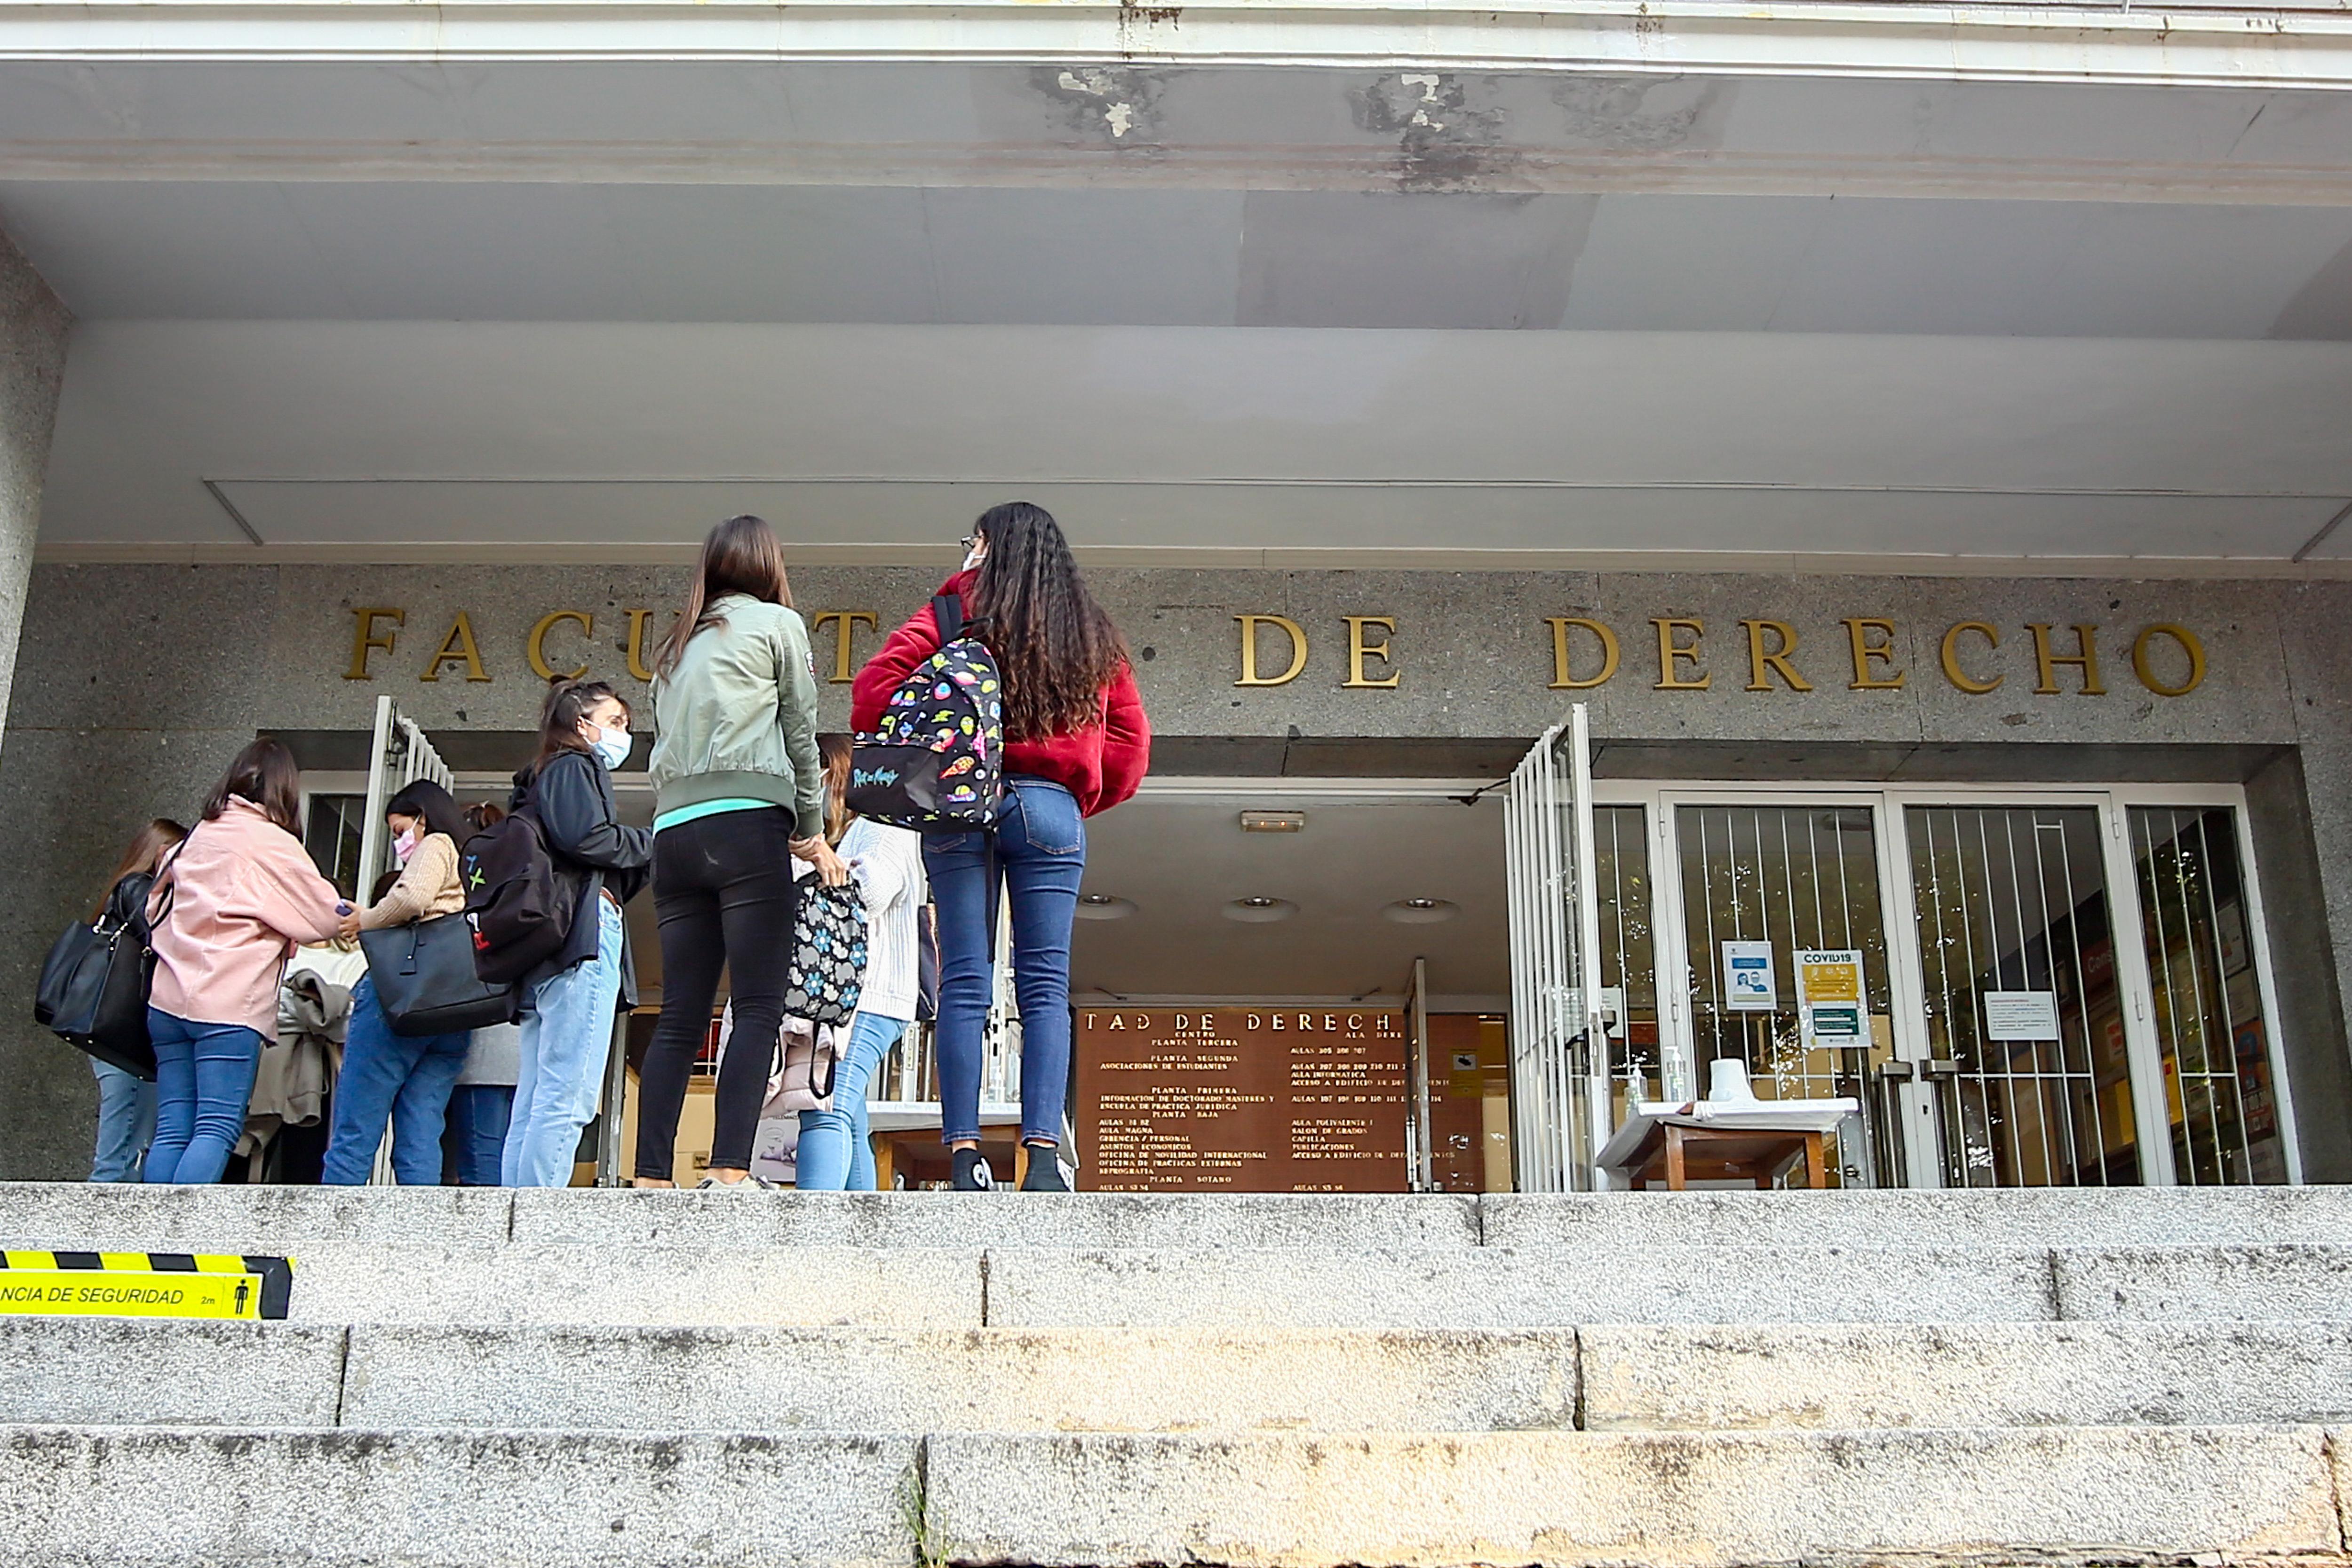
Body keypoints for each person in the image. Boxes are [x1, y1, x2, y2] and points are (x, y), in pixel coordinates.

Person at [853, 501, 1150, 1191]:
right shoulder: (1091, 630)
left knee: (965, 980)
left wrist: (929, 754)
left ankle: (964, 1156)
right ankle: (1042, 1159)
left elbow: (872, 695)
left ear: (985, 546)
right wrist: (1075, 799)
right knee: (1043, 985)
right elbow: (1132, 745)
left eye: (972, 540)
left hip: (960, 806)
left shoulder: (953, 610)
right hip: (1049, 809)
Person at [638, 514, 847, 1192]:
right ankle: (729, 1168)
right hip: (747, 824)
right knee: (757, 1005)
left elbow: (659, 746)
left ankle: (648, 1174)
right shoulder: (780, 626)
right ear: (769, 566)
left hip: (673, 832)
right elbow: (800, 731)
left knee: (681, 1011)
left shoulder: (674, 645)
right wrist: (811, 831)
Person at [144, 739, 347, 1185]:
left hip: (167, 999)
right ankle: (184, 1240)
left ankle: (150, 1239)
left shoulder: (200, 834)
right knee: (216, 1127)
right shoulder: (272, 842)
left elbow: (152, 908)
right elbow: (326, 915)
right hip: (228, 1004)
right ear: (285, 788)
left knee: (173, 1126)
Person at [503, 678, 654, 1188]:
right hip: (580, 938)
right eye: (614, 722)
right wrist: (657, 844)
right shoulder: (573, 765)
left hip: (546, 946)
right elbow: (588, 838)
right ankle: (538, 1215)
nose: (621, 735)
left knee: (537, 1094)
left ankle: (518, 1209)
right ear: (580, 723)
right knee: (566, 1094)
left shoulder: (538, 778)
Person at [318, 780, 473, 1185]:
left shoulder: (436, 843)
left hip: (401, 998)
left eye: (402, 831)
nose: (400, 843)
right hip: (452, 1009)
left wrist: (364, 918)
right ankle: (414, 1238)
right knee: (421, 1134)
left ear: (422, 817)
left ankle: (329, 1234)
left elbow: (412, 898)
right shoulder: (469, 859)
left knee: (356, 1128)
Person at [795, 733, 925, 1191]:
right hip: (843, 997)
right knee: (846, 1114)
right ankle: (861, 1232)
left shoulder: (884, 823)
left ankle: (816, 1237)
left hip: (869, 994)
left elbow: (870, 890)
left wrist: (815, 858)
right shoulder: (847, 833)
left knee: (823, 1108)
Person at [85, 819, 188, 1181]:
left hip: (120, 1031)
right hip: (125, 1033)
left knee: (129, 1142)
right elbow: (161, 935)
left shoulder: (125, 887)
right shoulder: (139, 889)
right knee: (121, 1148)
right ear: (164, 853)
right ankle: (95, 1236)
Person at [446, 803, 520, 1186]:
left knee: (482, 1168)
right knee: (513, 1164)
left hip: (482, 1053)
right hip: (522, 1050)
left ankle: (487, 1244)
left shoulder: (465, 898)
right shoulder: (522, 889)